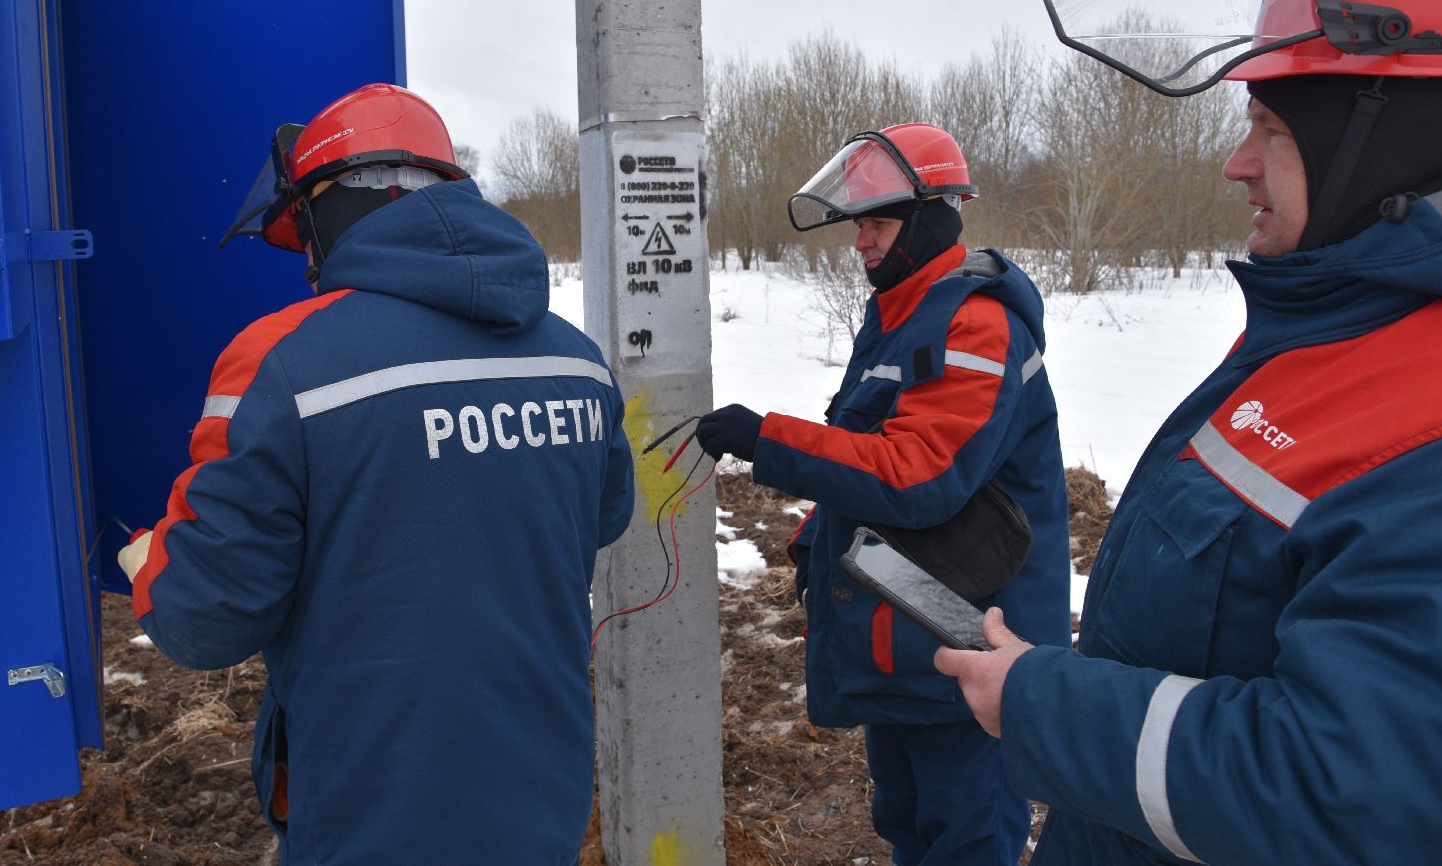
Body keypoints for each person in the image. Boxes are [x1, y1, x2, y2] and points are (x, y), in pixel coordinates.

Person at [936, 0, 1442, 864]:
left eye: (1272, 127)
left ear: (1384, 142)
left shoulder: (1425, 427)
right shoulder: (1322, 334)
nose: (1234, 163)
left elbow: (1346, 799)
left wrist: (1043, 701)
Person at [116, 83, 635, 864]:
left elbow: (206, 617)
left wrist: (149, 560)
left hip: (373, 806)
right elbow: (603, 516)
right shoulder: (575, 357)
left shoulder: (282, 359)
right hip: (543, 790)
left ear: (324, 208)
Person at [697, 123, 1071, 865]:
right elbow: (870, 440)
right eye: (857, 225)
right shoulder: (901, 314)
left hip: (970, 634)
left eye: (877, 222)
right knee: (907, 819)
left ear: (933, 213)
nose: (861, 242)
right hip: (907, 626)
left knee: (965, 835)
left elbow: (921, 474)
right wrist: (815, 539)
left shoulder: (975, 322)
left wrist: (766, 438)